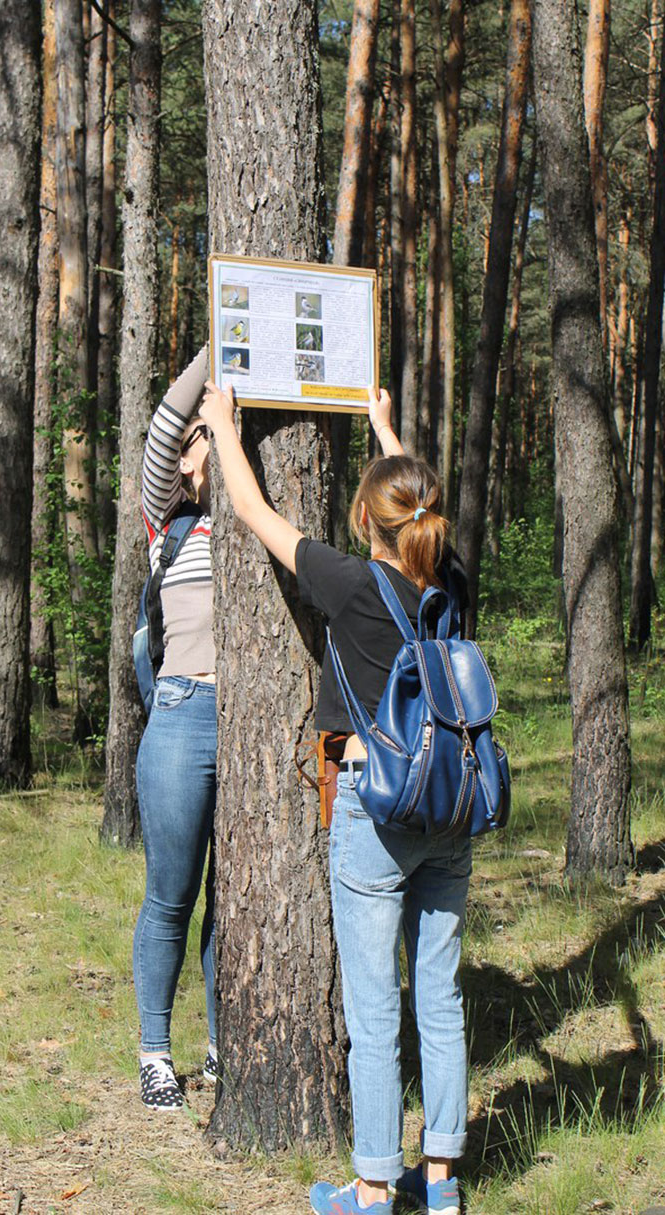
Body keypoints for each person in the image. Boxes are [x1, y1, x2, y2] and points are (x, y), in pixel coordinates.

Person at [199, 380, 470, 1215]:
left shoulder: (350, 584)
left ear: (365, 522)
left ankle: (373, 1187)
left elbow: (252, 512)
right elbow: (412, 506)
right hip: (450, 809)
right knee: (441, 995)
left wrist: (223, 428)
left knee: (373, 1006)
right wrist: (387, 430)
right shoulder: (453, 584)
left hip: (375, 806)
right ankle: (445, 1183)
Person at [134, 347, 218, 1112]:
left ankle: (228, 1042)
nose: (207, 442)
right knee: (172, 894)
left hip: (257, 726)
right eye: (203, 437)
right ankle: (156, 1050)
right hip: (183, 712)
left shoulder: (258, 506)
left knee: (238, 898)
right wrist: (223, 337)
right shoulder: (171, 521)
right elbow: (164, 426)